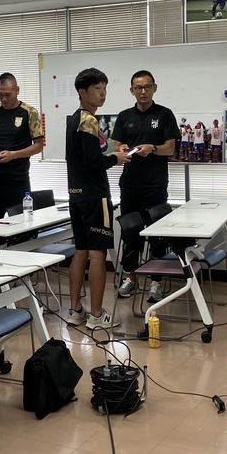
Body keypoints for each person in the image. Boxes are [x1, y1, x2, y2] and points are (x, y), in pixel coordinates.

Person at [65, 68, 129, 329]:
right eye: (97, 89)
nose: (103, 93)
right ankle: (96, 315)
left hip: (76, 195)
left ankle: (75, 311)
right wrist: (116, 159)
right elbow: (93, 162)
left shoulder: (74, 119)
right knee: (98, 255)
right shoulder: (89, 120)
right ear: (82, 92)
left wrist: (115, 149)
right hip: (95, 196)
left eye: (105, 88)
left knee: (80, 252)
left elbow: (91, 151)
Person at [110, 71, 180, 302]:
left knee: (157, 234)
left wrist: (153, 148)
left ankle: (156, 282)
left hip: (155, 185)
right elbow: (117, 146)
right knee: (130, 233)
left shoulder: (164, 114)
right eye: (138, 88)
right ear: (132, 90)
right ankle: (130, 278)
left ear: (154, 88)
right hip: (130, 184)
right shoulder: (124, 116)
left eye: (147, 87)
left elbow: (170, 149)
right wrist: (121, 149)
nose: (143, 92)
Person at [0, 73, 43, 217]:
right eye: (0, 94)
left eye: (8, 95)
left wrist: (14, 155)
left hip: (17, 178)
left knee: (22, 221)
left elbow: (39, 145)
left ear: (17, 90)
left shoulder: (29, 112)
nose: (4, 99)